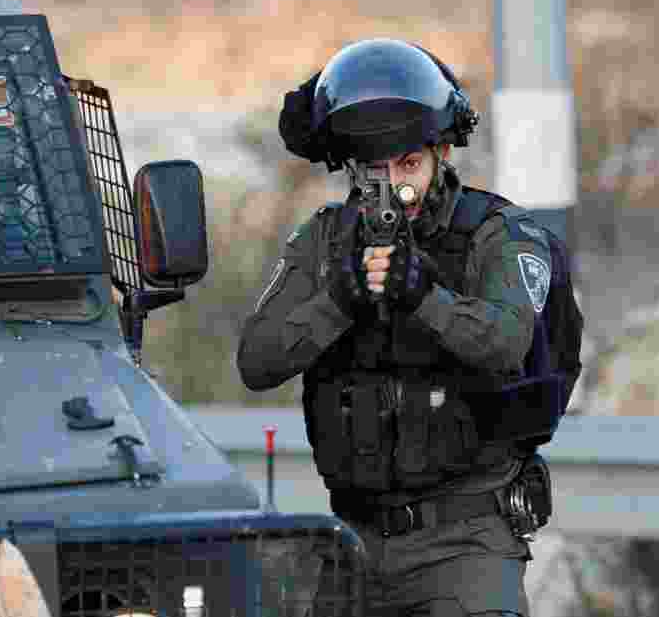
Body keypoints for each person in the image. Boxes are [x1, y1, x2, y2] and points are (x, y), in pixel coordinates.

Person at [237, 38, 562, 616]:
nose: (394, 186)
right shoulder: (324, 241)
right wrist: (340, 298)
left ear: (441, 154)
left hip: (465, 543)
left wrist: (422, 296)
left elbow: (508, 343)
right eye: (375, 170)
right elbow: (257, 361)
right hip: (353, 544)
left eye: (409, 165)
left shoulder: (496, 234)